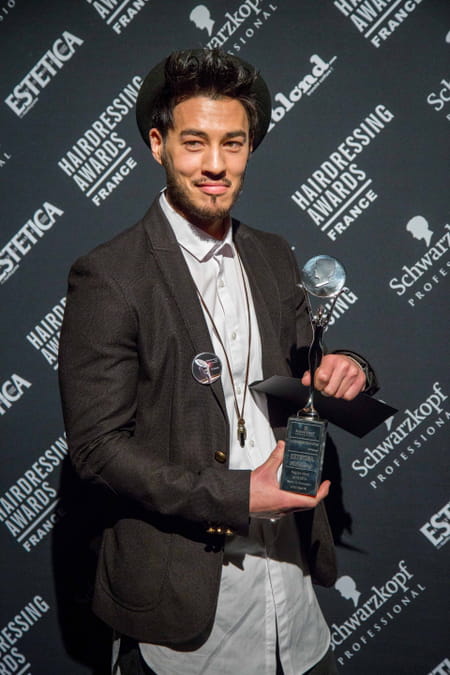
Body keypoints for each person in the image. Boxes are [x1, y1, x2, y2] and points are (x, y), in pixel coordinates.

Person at [58, 48, 377, 675]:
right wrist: (237, 494)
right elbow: (97, 449)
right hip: (185, 613)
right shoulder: (110, 275)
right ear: (158, 144)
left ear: (249, 148)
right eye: (194, 142)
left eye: (232, 144)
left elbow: (303, 370)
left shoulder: (273, 254)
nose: (214, 164)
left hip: (292, 598)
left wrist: (348, 366)